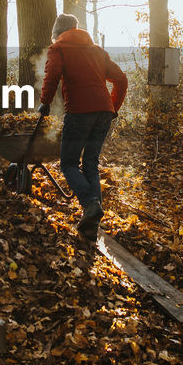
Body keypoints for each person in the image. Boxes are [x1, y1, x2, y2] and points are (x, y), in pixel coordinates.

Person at [38, 13, 128, 235]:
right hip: (103, 113)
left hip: (79, 112)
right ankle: (91, 226)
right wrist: (113, 107)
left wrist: (45, 103)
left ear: (58, 34)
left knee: (68, 164)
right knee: (89, 163)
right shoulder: (97, 51)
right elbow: (122, 80)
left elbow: (51, 76)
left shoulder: (58, 49)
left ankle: (90, 204)